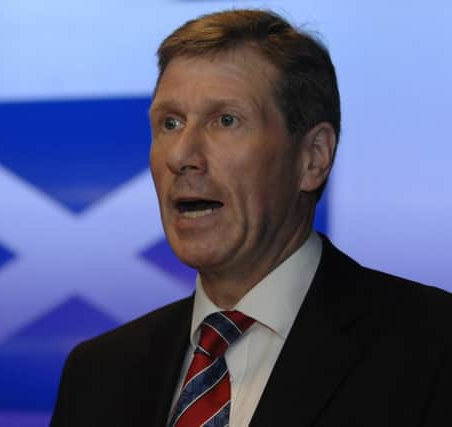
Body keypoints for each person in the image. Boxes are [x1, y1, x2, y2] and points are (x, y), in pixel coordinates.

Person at [50, 9, 451, 427]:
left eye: (226, 120)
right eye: (170, 123)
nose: (181, 156)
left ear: (312, 157)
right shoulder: (98, 372)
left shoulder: (433, 348)